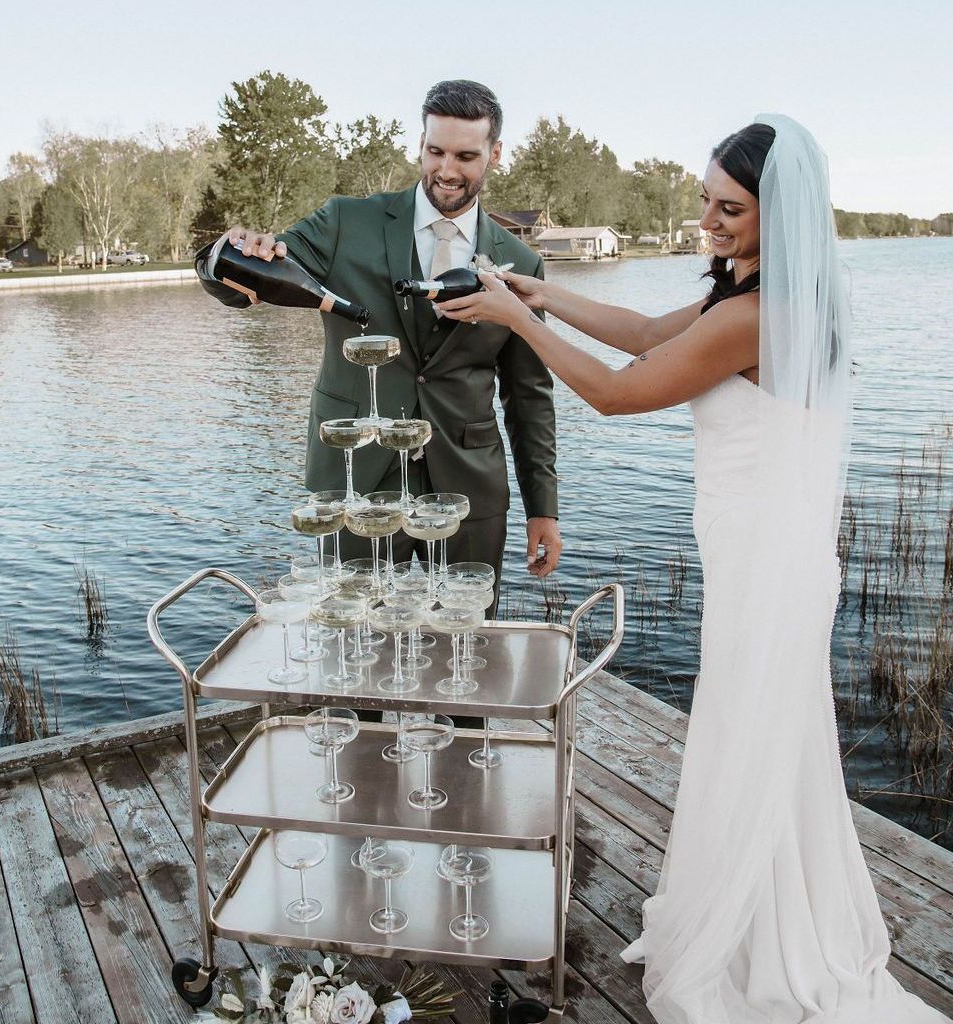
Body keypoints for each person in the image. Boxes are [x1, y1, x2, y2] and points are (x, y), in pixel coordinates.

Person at [435, 114, 950, 1024]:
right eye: (705, 200)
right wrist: (540, 294)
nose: (708, 221)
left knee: (753, 730)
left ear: (778, 216)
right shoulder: (742, 298)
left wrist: (515, 319)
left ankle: (765, 935)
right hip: (757, 552)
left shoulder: (760, 317)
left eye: (730, 209)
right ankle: (758, 908)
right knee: (756, 737)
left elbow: (616, 392)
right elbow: (638, 329)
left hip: (768, 566)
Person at [195, 79, 562, 607]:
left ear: (495, 154)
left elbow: (529, 398)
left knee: (461, 650)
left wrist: (541, 509)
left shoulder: (520, 264)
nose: (447, 170)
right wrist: (226, 255)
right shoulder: (346, 221)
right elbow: (244, 284)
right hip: (354, 484)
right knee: (356, 647)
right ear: (420, 143)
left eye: (465, 155)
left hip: (467, 495)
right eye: (435, 151)